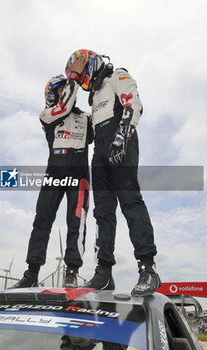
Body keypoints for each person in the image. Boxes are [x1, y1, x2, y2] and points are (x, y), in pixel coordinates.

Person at [66, 49, 161, 296]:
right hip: (99, 151)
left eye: (83, 75)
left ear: (92, 64)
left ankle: (148, 269)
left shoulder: (116, 75)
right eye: (81, 80)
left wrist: (122, 136)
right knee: (103, 213)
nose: (84, 81)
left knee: (130, 201)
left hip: (121, 140)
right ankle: (104, 272)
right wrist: (73, 84)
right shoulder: (94, 96)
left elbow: (134, 103)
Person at [12, 62, 93, 288]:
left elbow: (104, 124)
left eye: (65, 88)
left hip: (80, 175)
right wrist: (74, 79)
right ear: (51, 94)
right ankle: (32, 272)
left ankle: (71, 271)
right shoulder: (47, 114)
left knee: (77, 223)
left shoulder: (86, 118)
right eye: (60, 89)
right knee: (42, 221)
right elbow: (64, 107)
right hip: (54, 173)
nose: (65, 92)